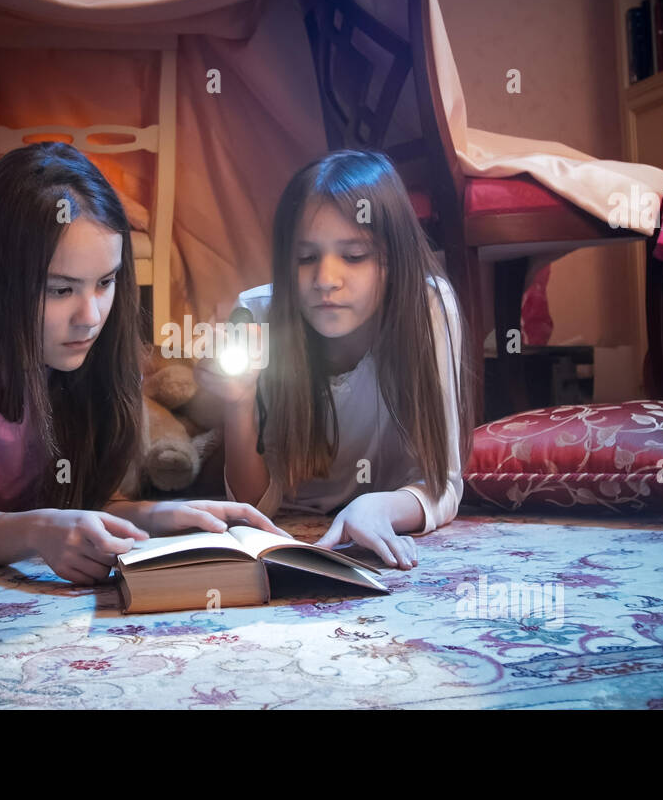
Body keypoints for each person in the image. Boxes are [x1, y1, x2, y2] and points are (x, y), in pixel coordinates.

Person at [0, 142, 281, 584]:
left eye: (105, 282)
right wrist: (41, 529)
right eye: (60, 290)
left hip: (14, 483)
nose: (91, 318)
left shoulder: (104, 342)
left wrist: (165, 513)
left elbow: (90, 502)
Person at [199, 149, 472, 570]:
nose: (326, 280)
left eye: (354, 256)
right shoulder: (257, 316)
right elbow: (255, 504)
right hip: (291, 526)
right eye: (306, 258)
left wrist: (378, 509)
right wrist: (238, 402)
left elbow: (442, 482)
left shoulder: (429, 307)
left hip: (382, 506)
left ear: (393, 260)